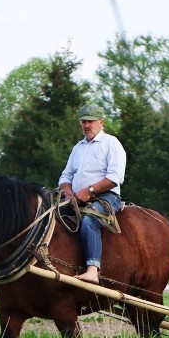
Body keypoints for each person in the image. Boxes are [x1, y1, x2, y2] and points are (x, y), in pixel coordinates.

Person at [58, 104, 126, 284]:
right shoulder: (78, 148)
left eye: (90, 121)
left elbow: (114, 177)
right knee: (48, 216)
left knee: (90, 220)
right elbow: (65, 176)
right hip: (76, 198)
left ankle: (92, 270)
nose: (86, 125)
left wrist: (88, 191)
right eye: (83, 121)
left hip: (107, 198)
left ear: (101, 122)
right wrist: (67, 192)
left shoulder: (111, 143)